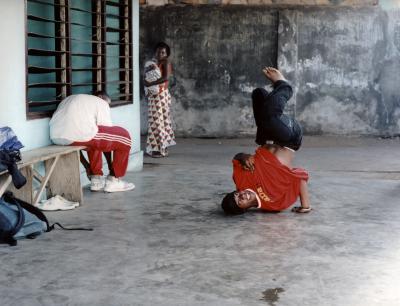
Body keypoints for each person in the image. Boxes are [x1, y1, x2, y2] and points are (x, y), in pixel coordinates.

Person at [49, 91, 135, 193]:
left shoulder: (72, 99)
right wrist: (111, 167)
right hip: (75, 135)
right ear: (101, 97)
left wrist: (86, 166)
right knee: (125, 137)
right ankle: (114, 180)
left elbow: (101, 139)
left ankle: (96, 180)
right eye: (108, 104)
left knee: (94, 135)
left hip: (57, 137)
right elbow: (108, 139)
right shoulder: (100, 102)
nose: (108, 106)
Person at [221, 144, 311, 215]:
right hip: (289, 143)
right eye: (240, 201)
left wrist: (243, 157)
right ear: (244, 209)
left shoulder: (240, 181)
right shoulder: (274, 205)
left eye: (237, 194)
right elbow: (300, 179)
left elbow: (237, 158)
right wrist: (305, 206)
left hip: (267, 137)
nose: (242, 195)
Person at [252, 67, 303, 151]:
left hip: (269, 133)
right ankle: (284, 86)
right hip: (293, 135)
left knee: (259, 93)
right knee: (269, 116)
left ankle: (282, 85)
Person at [144, 41, 176, 158]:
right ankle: (162, 148)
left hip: (160, 96)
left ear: (166, 54)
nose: (160, 54)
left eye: (163, 52)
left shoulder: (165, 62)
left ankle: (159, 149)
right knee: (160, 122)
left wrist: (150, 83)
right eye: (158, 52)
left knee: (157, 122)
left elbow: (165, 78)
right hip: (157, 95)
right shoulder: (155, 63)